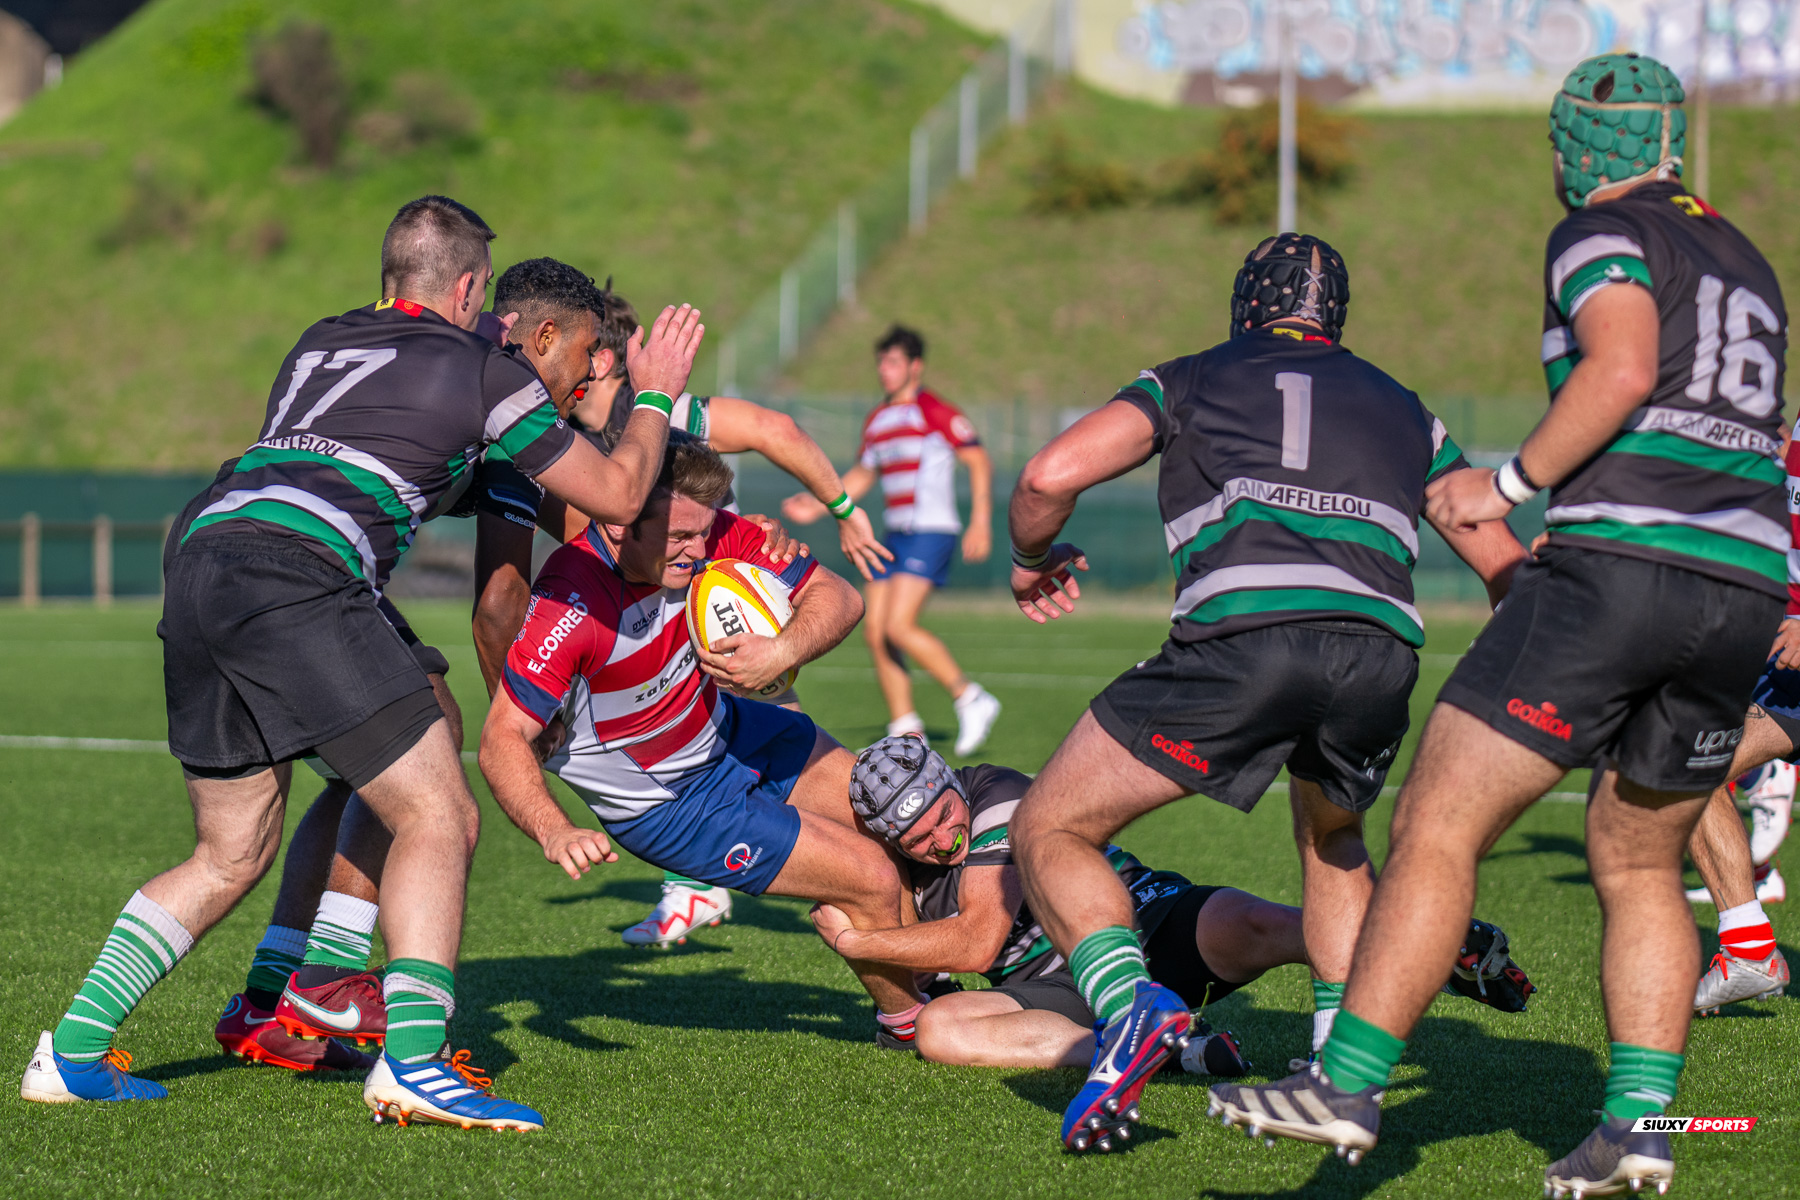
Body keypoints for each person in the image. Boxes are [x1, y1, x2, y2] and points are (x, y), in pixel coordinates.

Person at [1212, 55, 1788, 1200]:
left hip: (1624, 565)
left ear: (1581, 143)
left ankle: (1350, 1081)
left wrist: (1505, 484)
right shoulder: (1750, 259)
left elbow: (1621, 364)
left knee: (1437, 816)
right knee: (1642, 859)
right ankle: (1635, 1125)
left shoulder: (1598, 229)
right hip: (1746, 587)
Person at [20, 196, 700, 1134]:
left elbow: (394, 458)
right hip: (298, 575)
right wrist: (657, 389)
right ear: (470, 290)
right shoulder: (485, 367)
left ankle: (74, 1052)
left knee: (232, 850)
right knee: (438, 813)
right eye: (584, 356)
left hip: (205, 550)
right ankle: (411, 1062)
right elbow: (616, 493)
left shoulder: (320, 342)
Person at [1002, 232, 1526, 1153]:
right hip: (1380, 656)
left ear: (1247, 303)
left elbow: (1049, 475)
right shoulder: (1405, 407)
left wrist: (1031, 558)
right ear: (1338, 318)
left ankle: (1127, 1010)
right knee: (1333, 835)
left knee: (1052, 826)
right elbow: (1500, 559)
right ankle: (1336, 1071)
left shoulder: (1194, 375)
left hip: (1244, 644)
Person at [209, 256, 627, 1069]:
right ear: (543, 337)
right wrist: (530, 721)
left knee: (355, 775)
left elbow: (574, 514)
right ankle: (323, 981)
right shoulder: (503, 394)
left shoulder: (410, 343)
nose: (579, 388)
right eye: (581, 363)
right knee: (428, 732)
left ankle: (269, 1000)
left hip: (235, 544)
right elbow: (500, 603)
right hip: (307, 575)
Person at [470, 278, 892, 947]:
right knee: (747, 759)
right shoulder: (546, 442)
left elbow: (767, 430)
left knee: (782, 747)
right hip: (645, 626)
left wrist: (749, 537)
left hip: (710, 608)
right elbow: (561, 545)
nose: (588, 373)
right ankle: (708, 879)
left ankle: (730, 874)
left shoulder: (638, 418)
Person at [477, 435, 932, 1047]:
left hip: (730, 730)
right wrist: (553, 828)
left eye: (705, 531)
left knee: (894, 817)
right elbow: (502, 737)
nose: (699, 551)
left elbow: (840, 596)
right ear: (618, 527)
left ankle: (936, 986)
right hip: (672, 802)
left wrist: (783, 648)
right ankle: (908, 1027)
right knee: (870, 877)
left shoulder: (708, 532)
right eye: (679, 537)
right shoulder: (572, 599)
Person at [812, 739, 1532, 1090]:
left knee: (1273, 926)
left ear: (949, 783)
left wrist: (861, 940)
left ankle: (1441, 953)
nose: (945, 838)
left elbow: (972, 944)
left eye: (943, 815)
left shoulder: (995, 794)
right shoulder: (892, 867)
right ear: (887, 839)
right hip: (1052, 987)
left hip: (1139, 924)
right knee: (942, 1031)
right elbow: (937, 985)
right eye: (920, 839)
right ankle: (1170, 1051)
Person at [783, 324, 1002, 756]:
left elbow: (977, 459)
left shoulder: (933, 411)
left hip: (931, 532)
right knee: (877, 632)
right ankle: (907, 727)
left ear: (915, 366)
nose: (885, 370)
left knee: (900, 626)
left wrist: (981, 520)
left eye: (894, 362)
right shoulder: (878, 419)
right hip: (892, 536)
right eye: (881, 362)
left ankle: (971, 698)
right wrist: (820, 503)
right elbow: (864, 474)